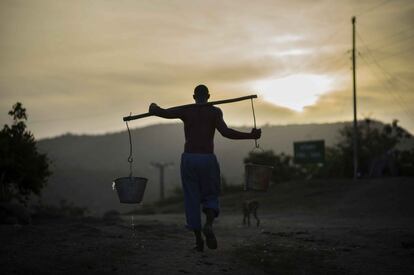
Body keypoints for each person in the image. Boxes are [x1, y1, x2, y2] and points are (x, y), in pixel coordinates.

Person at [149, 84, 261, 252]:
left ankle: (198, 241)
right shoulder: (215, 112)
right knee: (211, 195)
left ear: (194, 96)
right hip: (207, 158)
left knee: (191, 199)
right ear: (208, 96)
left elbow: (163, 113)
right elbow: (226, 133)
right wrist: (250, 136)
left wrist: (153, 107)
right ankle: (208, 224)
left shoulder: (186, 110)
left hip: (189, 158)